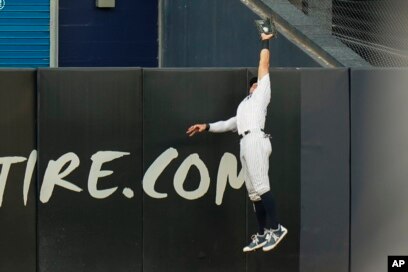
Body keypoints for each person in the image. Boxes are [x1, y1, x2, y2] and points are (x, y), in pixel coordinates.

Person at [186, 25, 287, 253]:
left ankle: (277, 228)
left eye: (256, 82)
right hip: (245, 140)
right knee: (253, 193)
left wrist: (265, 41)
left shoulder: (262, 94)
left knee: (262, 187)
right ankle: (262, 234)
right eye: (252, 83)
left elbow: (264, 65)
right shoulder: (245, 105)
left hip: (255, 139)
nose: (254, 84)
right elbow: (229, 124)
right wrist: (206, 127)